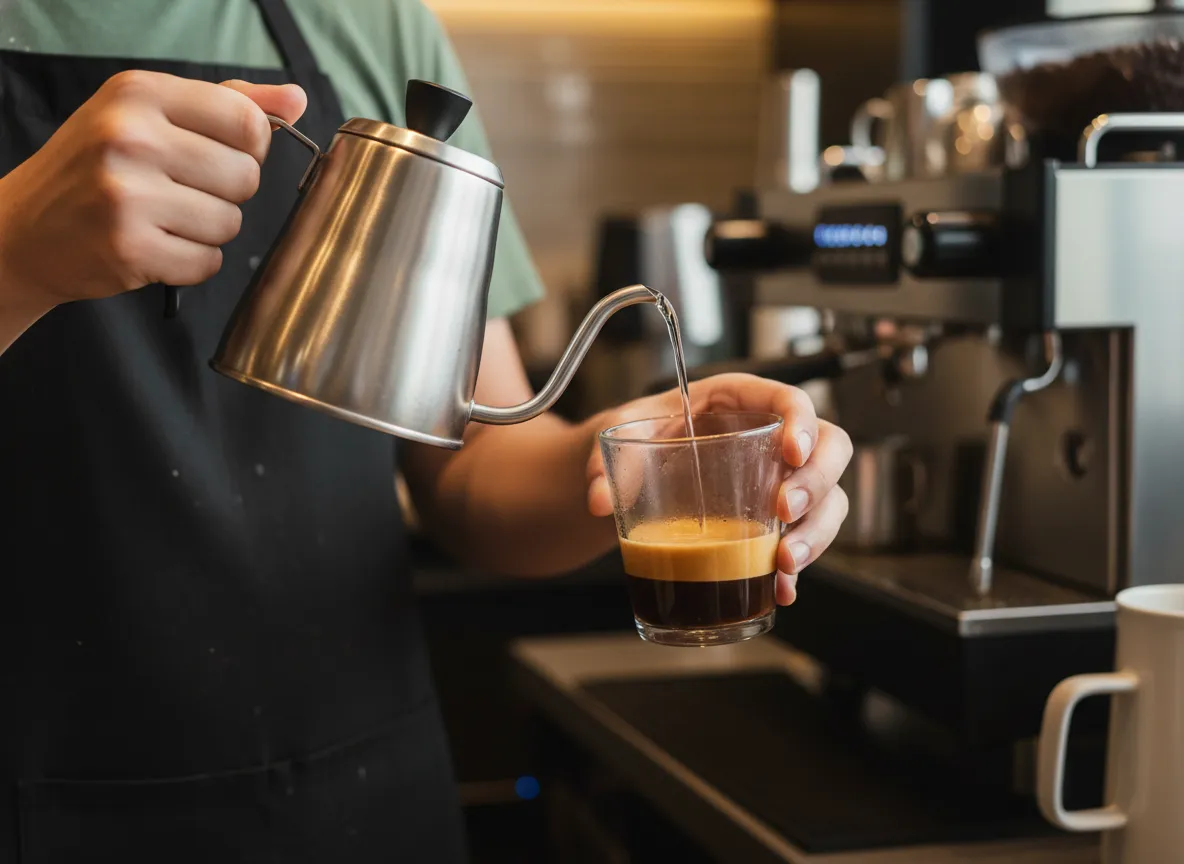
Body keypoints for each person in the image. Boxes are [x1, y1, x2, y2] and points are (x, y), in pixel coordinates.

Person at [0, 1, 853, 861]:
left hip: (358, 794)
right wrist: (13, 253)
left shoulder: (366, 16)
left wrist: (640, 455)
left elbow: (475, 461)